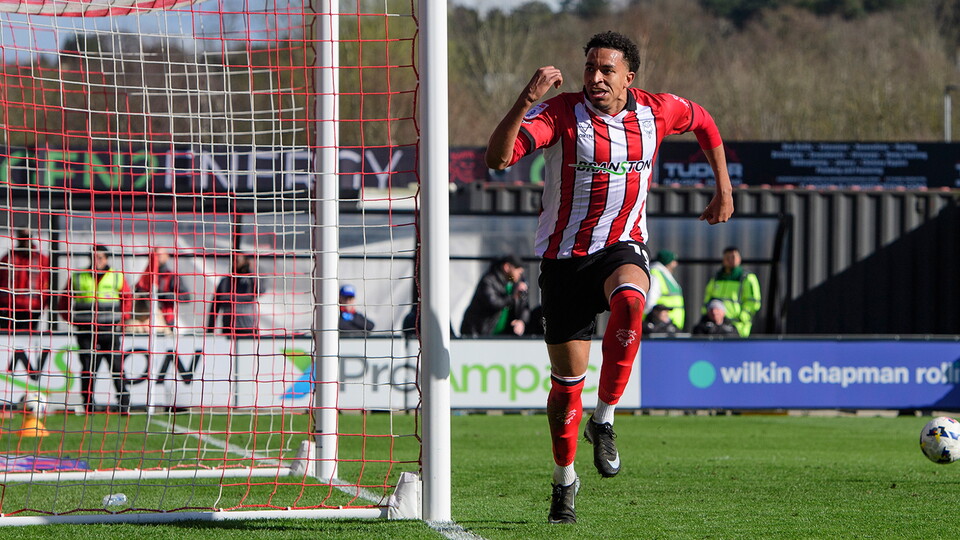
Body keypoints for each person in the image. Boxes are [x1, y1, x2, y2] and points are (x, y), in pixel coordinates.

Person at [485, 30, 733, 523]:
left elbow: (705, 122)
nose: (595, 78)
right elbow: (498, 158)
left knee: (631, 303)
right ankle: (564, 481)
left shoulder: (655, 111)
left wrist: (723, 188)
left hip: (621, 248)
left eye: (607, 70)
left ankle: (606, 419)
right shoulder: (560, 115)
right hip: (563, 261)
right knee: (565, 389)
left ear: (629, 77)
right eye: (590, 69)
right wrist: (525, 100)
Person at [59, 244, 133, 414]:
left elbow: (127, 298)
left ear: (106, 258)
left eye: (100, 257)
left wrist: (123, 319)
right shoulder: (78, 276)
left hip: (109, 330)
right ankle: (88, 404)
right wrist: (72, 320)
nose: (97, 260)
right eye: (94, 256)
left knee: (116, 366)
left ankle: (123, 403)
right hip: (86, 330)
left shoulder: (116, 276)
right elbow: (63, 300)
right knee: (87, 367)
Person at [459, 254, 530, 337]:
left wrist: (521, 321)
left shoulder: (515, 283)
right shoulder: (489, 280)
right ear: (506, 267)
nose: (520, 273)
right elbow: (493, 303)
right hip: (478, 332)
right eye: (517, 269)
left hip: (503, 335)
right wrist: (513, 297)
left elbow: (524, 307)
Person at [702, 246, 761, 337]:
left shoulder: (746, 278)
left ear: (739, 259)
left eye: (734, 257)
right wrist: (707, 314)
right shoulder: (717, 277)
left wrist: (742, 317)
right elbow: (708, 298)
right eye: (728, 258)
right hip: (717, 324)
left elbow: (753, 302)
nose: (731, 260)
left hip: (737, 325)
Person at [0, 228, 51, 333]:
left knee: (27, 340)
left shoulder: (42, 260)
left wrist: (42, 305)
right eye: (22, 238)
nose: (25, 240)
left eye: (27, 237)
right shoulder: (7, 258)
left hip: (32, 309)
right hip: (8, 309)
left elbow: (48, 284)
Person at [132, 247, 190, 333]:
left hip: (166, 321)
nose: (157, 258)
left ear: (166, 257)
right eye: (154, 256)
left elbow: (185, 297)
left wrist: (162, 295)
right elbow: (135, 292)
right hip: (144, 318)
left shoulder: (171, 277)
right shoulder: (146, 277)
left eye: (160, 255)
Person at [207, 252, 260, 336]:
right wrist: (210, 328)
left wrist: (248, 271)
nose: (235, 263)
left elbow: (260, 290)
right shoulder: (224, 282)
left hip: (248, 328)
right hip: (228, 328)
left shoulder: (250, 280)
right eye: (234, 260)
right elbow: (215, 306)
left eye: (238, 260)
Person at [645, 249, 684, 331]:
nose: (675, 264)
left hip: (670, 324)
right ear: (668, 262)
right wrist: (652, 319)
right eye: (673, 261)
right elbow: (651, 298)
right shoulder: (655, 274)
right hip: (661, 325)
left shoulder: (664, 274)